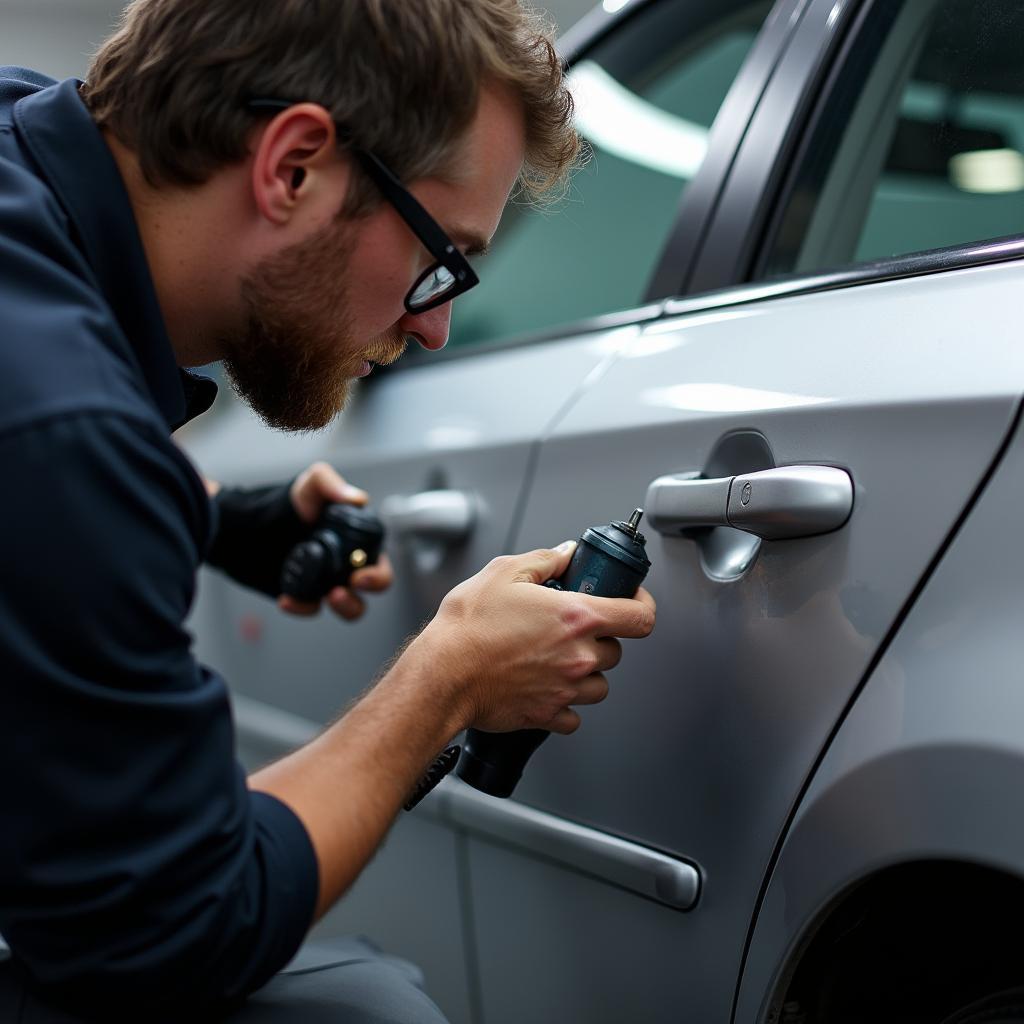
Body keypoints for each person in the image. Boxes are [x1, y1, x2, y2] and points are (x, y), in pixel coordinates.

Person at [0, 1, 657, 1021]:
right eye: (441, 255)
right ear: (294, 164)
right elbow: (166, 933)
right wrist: (445, 681)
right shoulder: (64, 425)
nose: (436, 326)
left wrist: (215, 518)